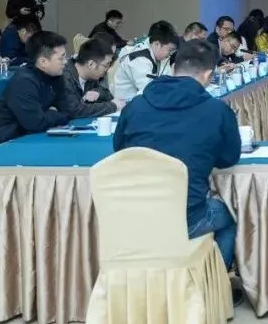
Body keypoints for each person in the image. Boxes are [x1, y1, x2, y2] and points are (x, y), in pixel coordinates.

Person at [113, 40, 242, 276]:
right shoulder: (218, 111)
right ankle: (215, 282)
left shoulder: (135, 106)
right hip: (189, 217)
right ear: (208, 75)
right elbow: (228, 159)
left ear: (173, 68)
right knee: (230, 216)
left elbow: (121, 152)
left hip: (134, 214)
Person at [0, 31, 71, 149]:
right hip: (2, 145)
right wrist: (54, 113)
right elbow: (35, 123)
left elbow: (68, 110)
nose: (65, 62)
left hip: (31, 139)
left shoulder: (56, 76)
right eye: (61, 58)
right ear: (43, 62)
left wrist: (48, 114)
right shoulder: (23, 82)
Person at [113, 21, 179, 101]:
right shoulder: (139, 59)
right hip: (125, 103)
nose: (170, 54)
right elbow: (150, 91)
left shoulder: (158, 55)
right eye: (169, 50)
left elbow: (168, 80)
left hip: (142, 101)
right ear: (157, 44)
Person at [60, 39, 123, 119]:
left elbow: (108, 96)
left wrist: (98, 93)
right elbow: (75, 110)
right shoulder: (64, 76)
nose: (107, 70)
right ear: (91, 64)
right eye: (106, 65)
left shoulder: (91, 77)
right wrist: (112, 106)